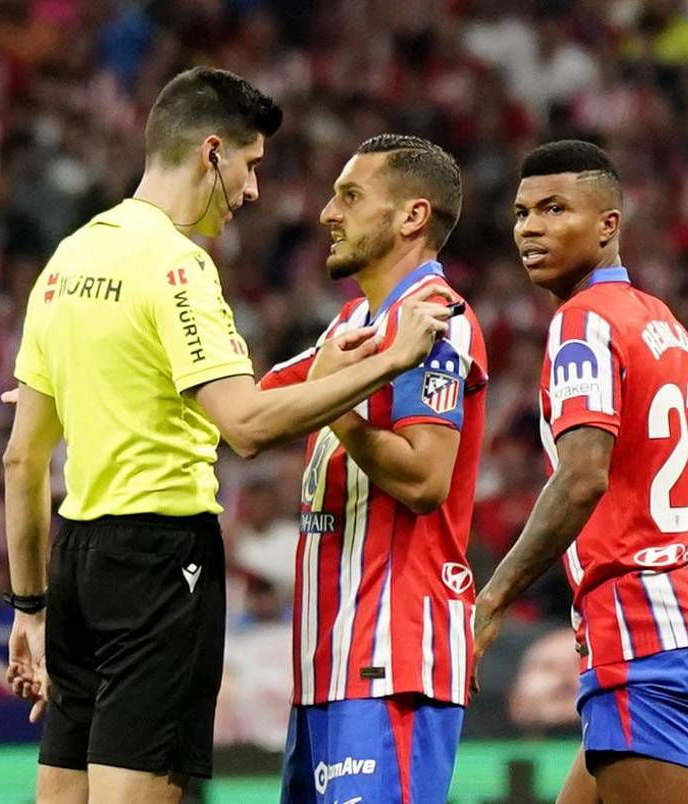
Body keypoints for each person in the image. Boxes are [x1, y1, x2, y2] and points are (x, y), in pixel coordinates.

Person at [2, 69, 457, 804]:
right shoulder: (178, 267)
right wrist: (394, 363)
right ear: (211, 151)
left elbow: (22, 456)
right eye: (250, 167)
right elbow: (244, 426)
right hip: (160, 562)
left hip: (76, 559)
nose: (250, 192)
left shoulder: (69, 258)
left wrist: (28, 606)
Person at [472, 141, 688, 804]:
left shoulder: (582, 325)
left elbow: (582, 478)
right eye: (522, 214)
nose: (531, 228)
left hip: (644, 634)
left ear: (608, 225)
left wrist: (489, 604)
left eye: (554, 209)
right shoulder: (668, 327)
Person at [260, 135, 488, 803]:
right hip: (325, 667)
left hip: (393, 656)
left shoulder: (435, 318)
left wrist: (339, 409)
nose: (328, 213)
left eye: (351, 196)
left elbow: (424, 480)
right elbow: (249, 412)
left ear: (411, 216)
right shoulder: (352, 325)